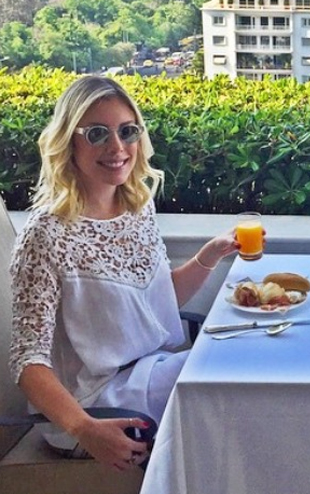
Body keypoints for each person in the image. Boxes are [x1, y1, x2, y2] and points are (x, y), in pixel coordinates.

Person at [8, 76, 243, 470]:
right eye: (97, 134)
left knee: (241, 364)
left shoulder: (136, 207)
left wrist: (209, 256)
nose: (117, 147)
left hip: (149, 373)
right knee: (228, 384)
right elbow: (27, 361)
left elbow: (153, 306)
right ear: (69, 142)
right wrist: (84, 427)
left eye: (127, 131)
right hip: (93, 409)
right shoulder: (46, 235)